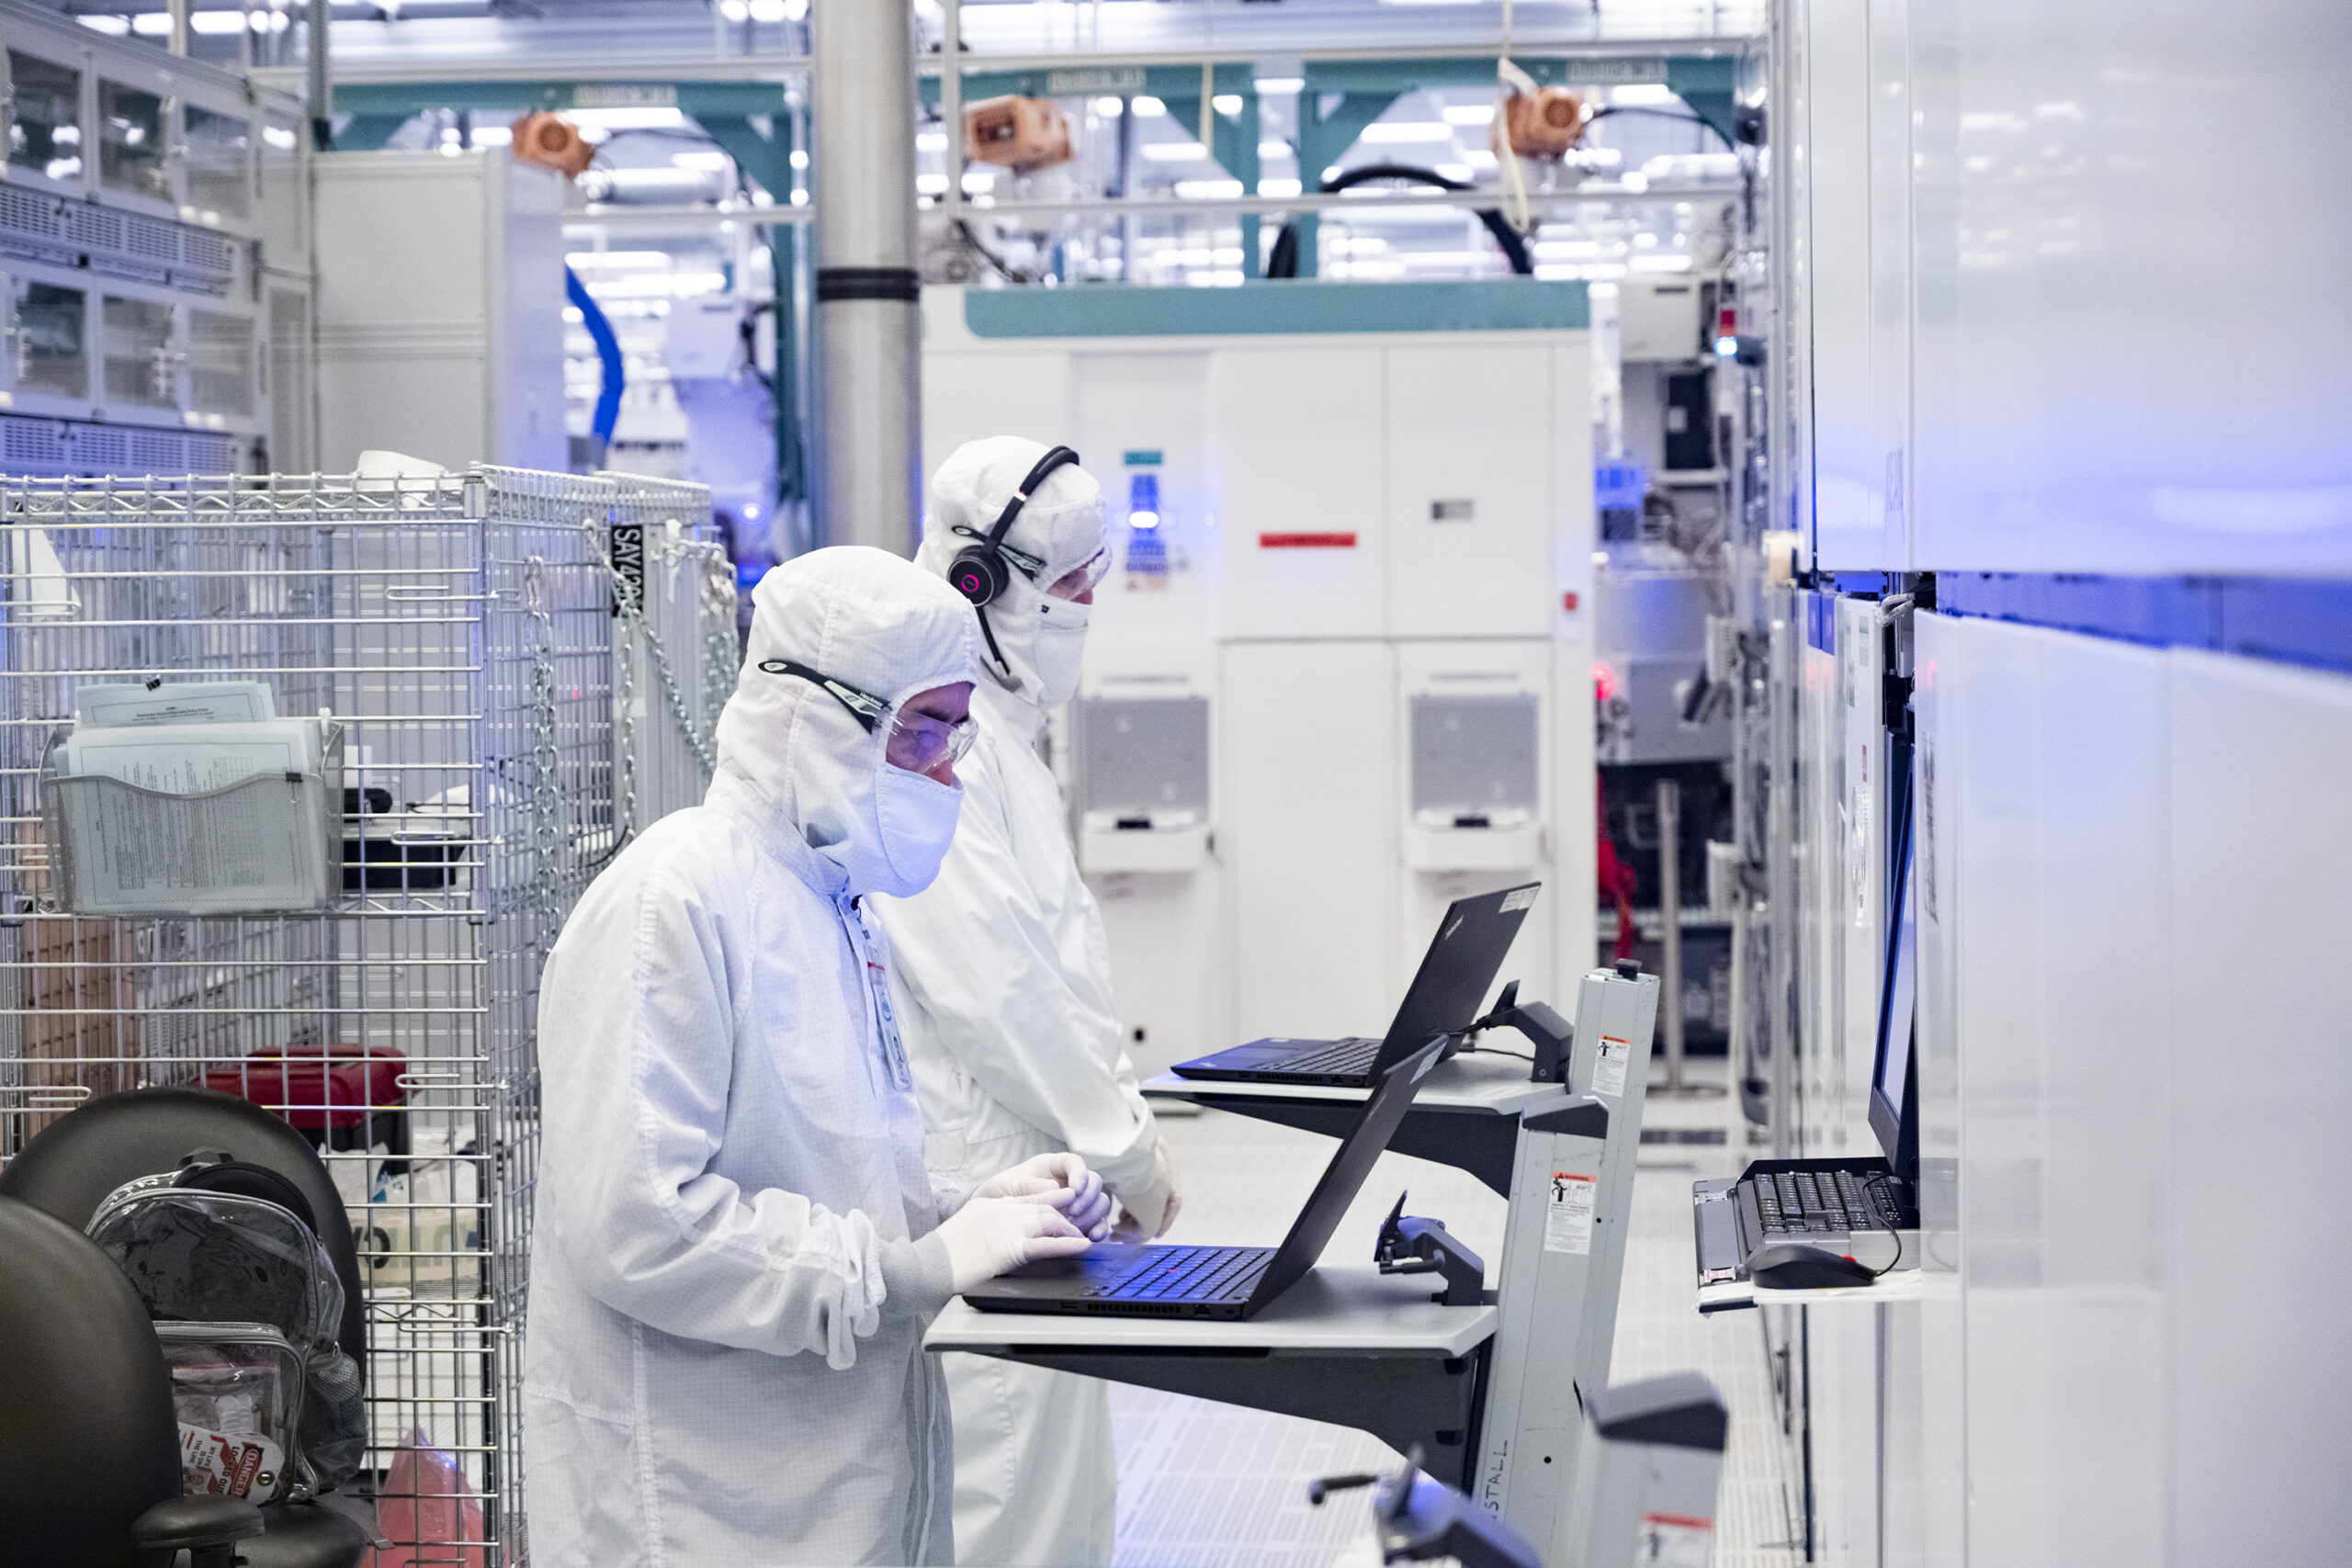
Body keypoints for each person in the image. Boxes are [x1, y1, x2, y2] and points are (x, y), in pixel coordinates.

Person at [523, 546, 1118, 1565]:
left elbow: (829, 1162)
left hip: (826, 1481)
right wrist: (905, 1270)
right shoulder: (674, 899)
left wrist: (975, 1206)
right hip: (703, 1499)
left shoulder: (833, 898)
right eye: (922, 734)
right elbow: (638, 1226)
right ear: (818, 713)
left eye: (954, 737)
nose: (944, 772)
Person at [876, 438, 1184, 1566]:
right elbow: (998, 992)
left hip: (1046, 1181)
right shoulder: (940, 742)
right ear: (980, 580)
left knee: (1056, 1504)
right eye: (1068, 589)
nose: (1087, 610)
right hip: (987, 1177)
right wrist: (1132, 1150)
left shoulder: (998, 739)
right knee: (1007, 1506)